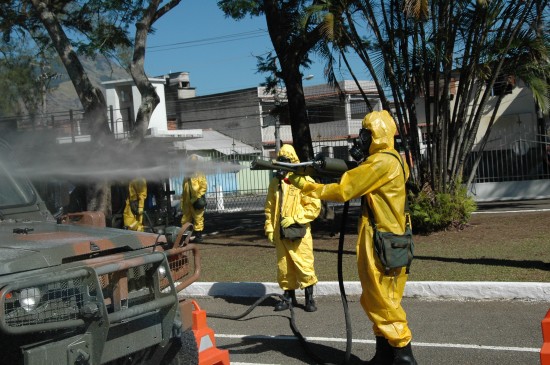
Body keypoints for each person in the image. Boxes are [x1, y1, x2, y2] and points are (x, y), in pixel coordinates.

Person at [287, 110, 417, 364]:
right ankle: (384, 354)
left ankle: (404, 355)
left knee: (381, 301)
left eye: (364, 135)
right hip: (395, 240)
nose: (359, 140)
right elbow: (363, 180)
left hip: (381, 241)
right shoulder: (395, 160)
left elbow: (344, 189)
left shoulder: (380, 162)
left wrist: (306, 186)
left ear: (377, 136)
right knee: (378, 299)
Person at [264, 144, 322, 312]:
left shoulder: (303, 181)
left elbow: (314, 207)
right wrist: (269, 228)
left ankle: (310, 298)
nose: (282, 165)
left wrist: (295, 218)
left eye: (286, 161)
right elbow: (269, 207)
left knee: (304, 264)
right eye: (280, 161)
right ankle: (288, 297)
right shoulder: (275, 183)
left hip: (299, 231)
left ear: (293, 162)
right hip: (280, 232)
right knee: (284, 266)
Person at [181, 155, 208, 243]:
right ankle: (185, 237)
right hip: (187, 201)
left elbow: (203, 187)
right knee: (185, 219)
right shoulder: (187, 175)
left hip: (196, 200)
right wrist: (183, 201)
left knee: (198, 218)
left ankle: (198, 237)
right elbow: (184, 188)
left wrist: (197, 197)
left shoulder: (199, 173)